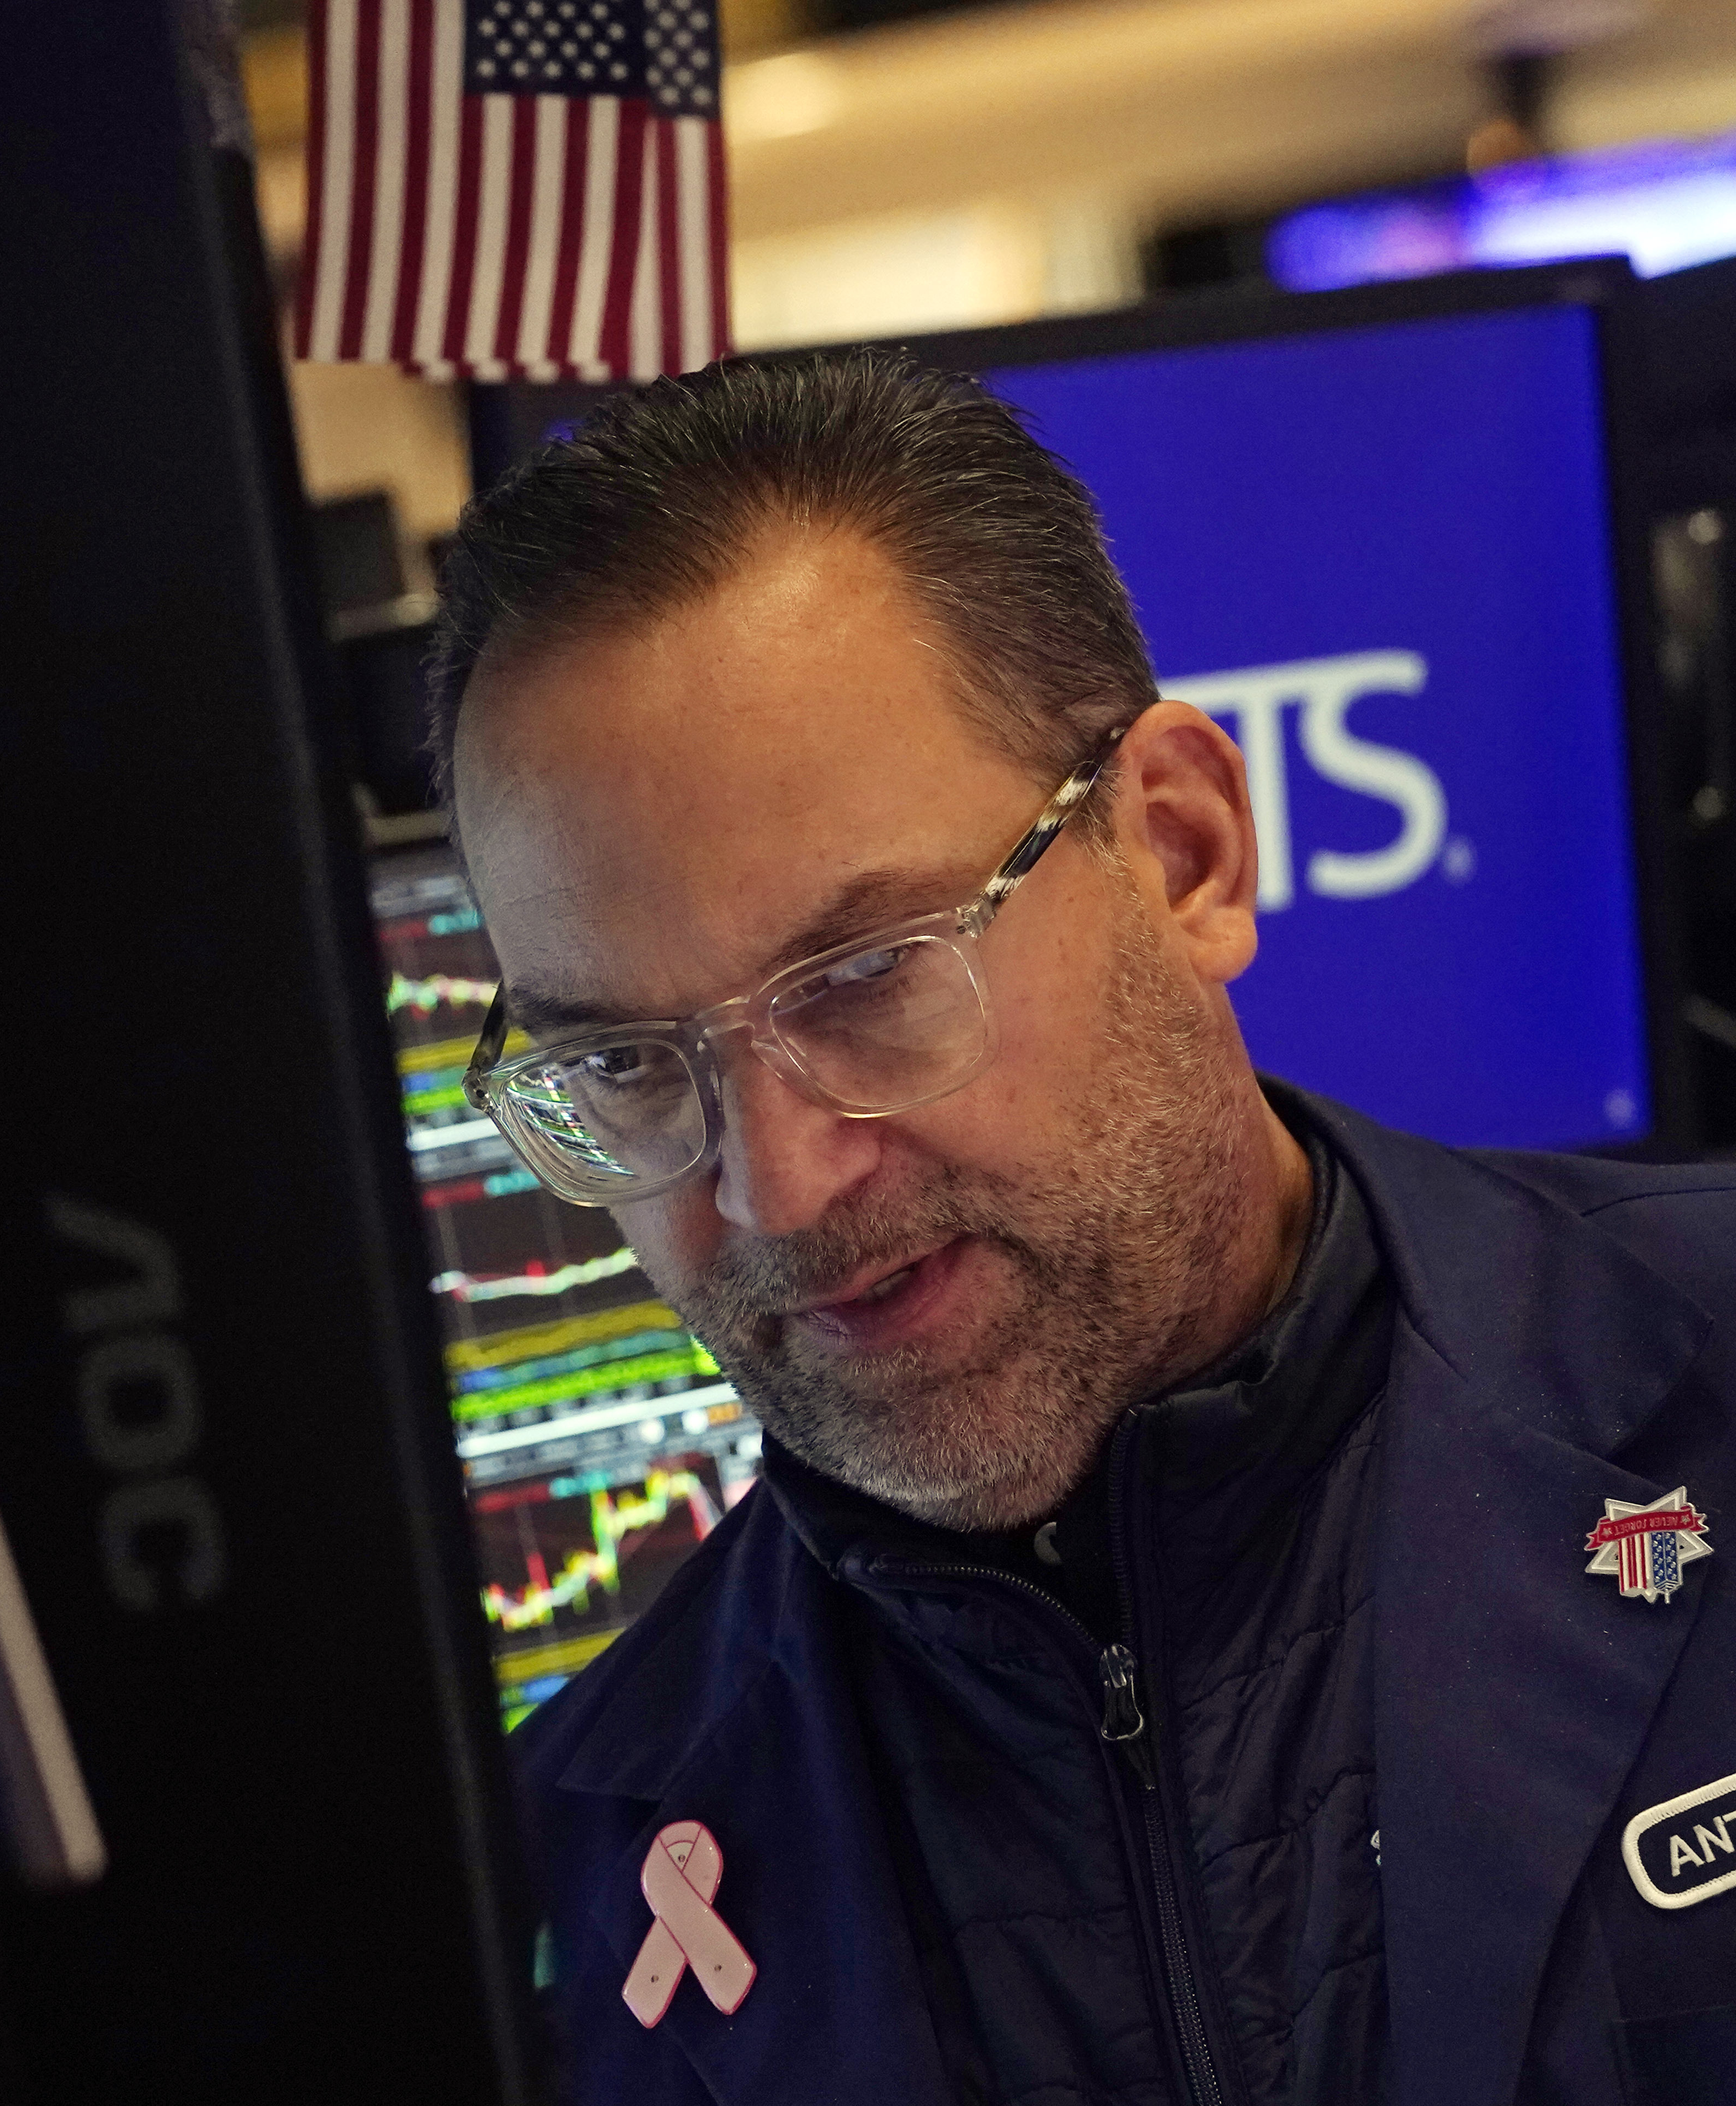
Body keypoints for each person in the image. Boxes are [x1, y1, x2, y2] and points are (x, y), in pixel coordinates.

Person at [430, 350, 1736, 2106]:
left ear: (1185, 853)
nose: (778, 1186)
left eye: (871, 973)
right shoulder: (557, 1924)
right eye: (624, 1064)